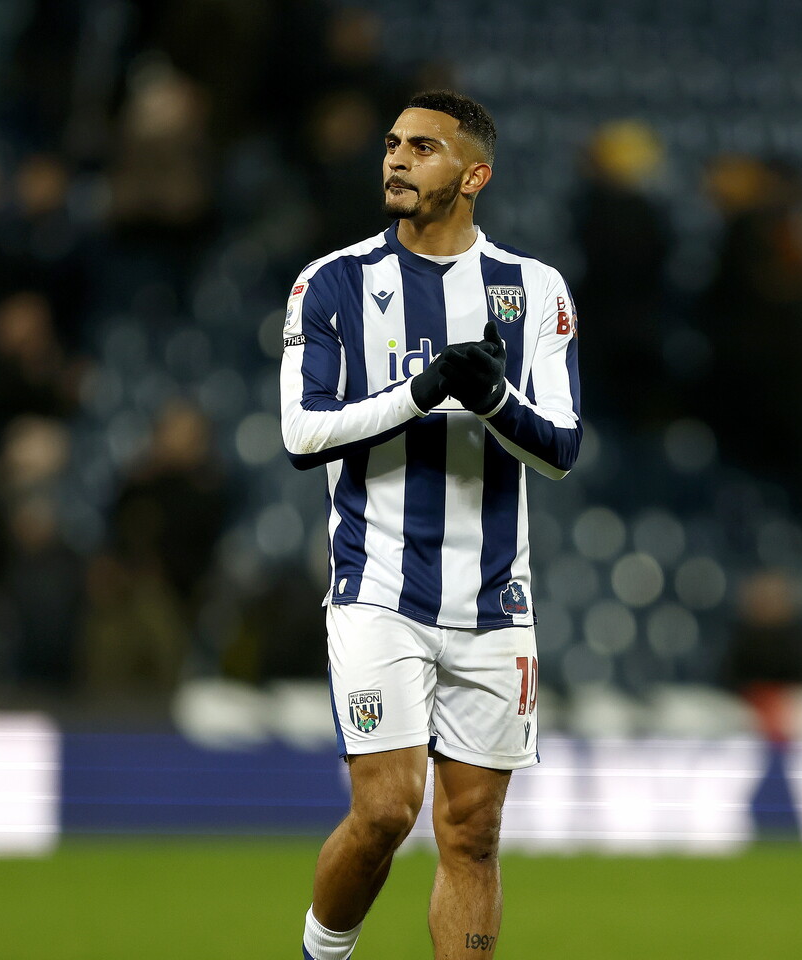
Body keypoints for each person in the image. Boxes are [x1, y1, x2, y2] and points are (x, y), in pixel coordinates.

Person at [280, 90, 580, 960]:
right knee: (384, 810)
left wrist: (488, 396)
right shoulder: (333, 281)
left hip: (493, 598)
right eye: (392, 144)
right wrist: (424, 388)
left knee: (474, 829)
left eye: (423, 147)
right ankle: (321, 955)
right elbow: (302, 434)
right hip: (377, 587)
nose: (397, 160)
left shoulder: (535, 290)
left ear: (475, 174)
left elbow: (561, 447)